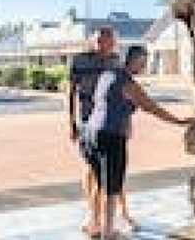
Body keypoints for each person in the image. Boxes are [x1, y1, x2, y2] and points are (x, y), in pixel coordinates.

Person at [85, 44, 193, 239]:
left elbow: (105, 102)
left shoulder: (108, 74)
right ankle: (108, 233)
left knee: (100, 182)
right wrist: (179, 121)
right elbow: (151, 107)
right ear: (133, 60)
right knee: (112, 186)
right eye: (143, 61)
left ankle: (95, 225)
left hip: (91, 134)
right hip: (110, 136)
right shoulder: (128, 84)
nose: (144, 66)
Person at [68, 26, 121, 236]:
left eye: (108, 40)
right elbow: (71, 92)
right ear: (93, 42)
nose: (104, 45)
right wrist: (70, 122)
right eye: (100, 40)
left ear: (113, 43)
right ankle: (92, 214)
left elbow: (119, 91)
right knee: (91, 169)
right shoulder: (80, 60)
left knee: (101, 172)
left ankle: (95, 218)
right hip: (85, 122)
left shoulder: (115, 61)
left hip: (108, 124)